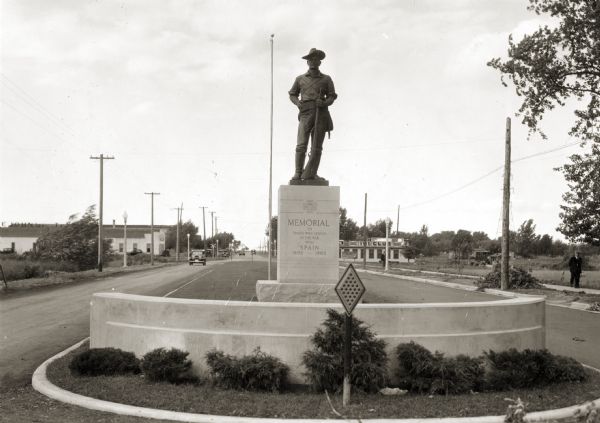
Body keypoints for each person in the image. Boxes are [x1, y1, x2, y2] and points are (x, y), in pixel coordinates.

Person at [288, 48, 337, 182]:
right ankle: (298, 173)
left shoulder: (326, 79)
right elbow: (292, 94)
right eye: (310, 59)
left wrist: (324, 102)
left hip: (321, 114)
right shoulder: (300, 79)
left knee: (316, 146)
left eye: (316, 59)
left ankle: (312, 173)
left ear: (320, 62)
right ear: (307, 62)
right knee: (301, 145)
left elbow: (332, 96)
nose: (313, 61)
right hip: (305, 113)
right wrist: (298, 103)